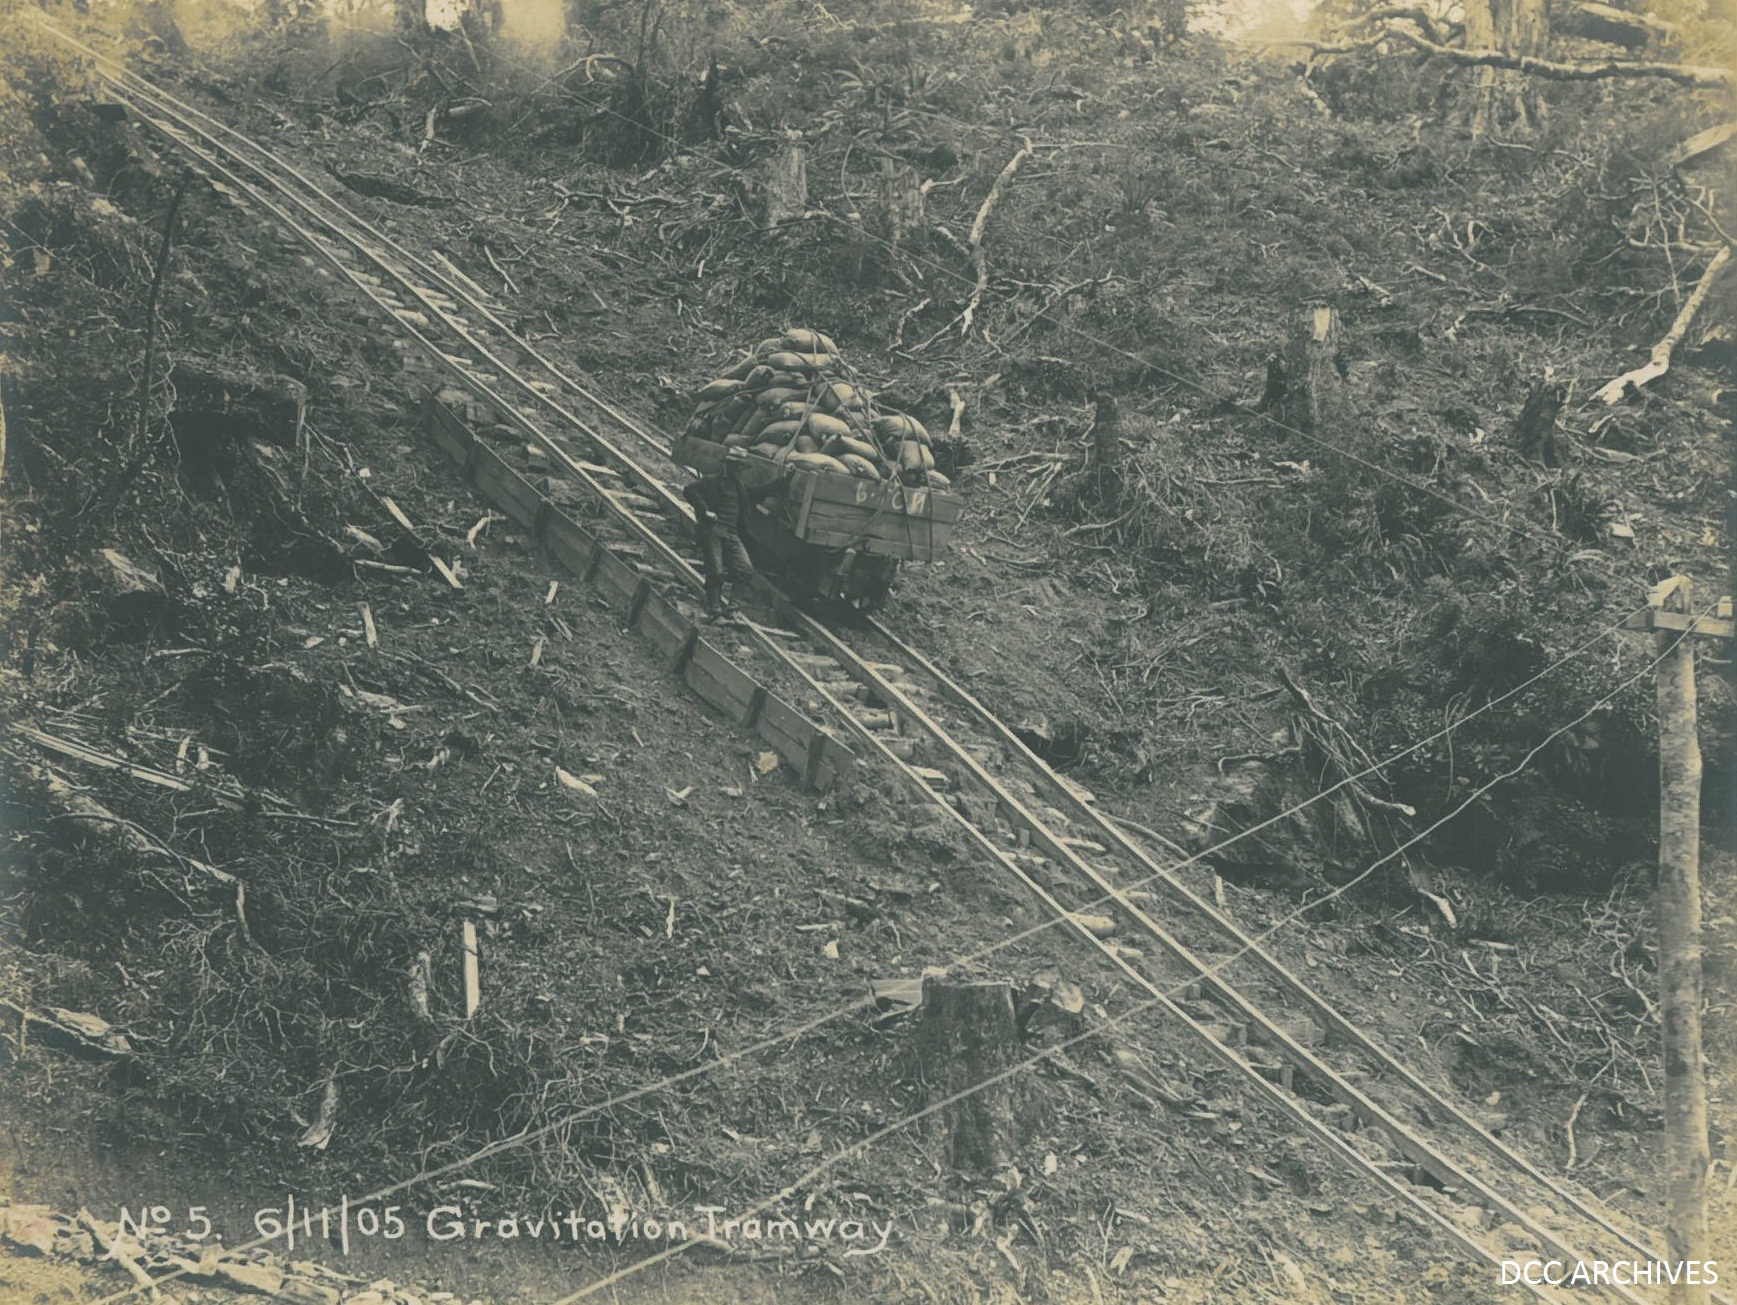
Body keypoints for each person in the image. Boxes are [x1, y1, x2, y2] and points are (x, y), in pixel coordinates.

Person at [683, 450, 760, 617]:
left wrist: (786, 479)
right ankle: (714, 607)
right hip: (713, 530)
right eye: (732, 465)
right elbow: (689, 490)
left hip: (732, 533)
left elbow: (763, 490)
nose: (735, 470)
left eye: (739, 467)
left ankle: (733, 608)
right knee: (716, 570)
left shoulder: (741, 488)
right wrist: (705, 510)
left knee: (745, 568)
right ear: (725, 465)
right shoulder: (712, 480)